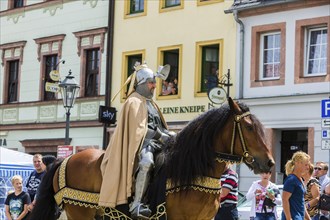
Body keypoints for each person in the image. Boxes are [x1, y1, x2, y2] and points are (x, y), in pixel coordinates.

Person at [99, 63, 174, 219]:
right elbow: (139, 130)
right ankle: (137, 204)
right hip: (143, 143)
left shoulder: (151, 103)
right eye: (151, 82)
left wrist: (170, 134)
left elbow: (158, 125)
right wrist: (161, 136)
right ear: (141, 83)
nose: (154, 86)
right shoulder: (133, 101)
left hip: (156, 143)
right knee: (146, 162)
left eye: (154, 82)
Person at [282, 151, 311, 220]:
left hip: (299, 217)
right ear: (297, 163)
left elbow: (301, 203)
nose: (308, 167)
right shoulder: (291, 179)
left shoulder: (300, 179)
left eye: (308, 164)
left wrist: (309, 219)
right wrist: (289, 218)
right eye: (305, 164)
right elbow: (284, 199)